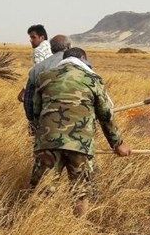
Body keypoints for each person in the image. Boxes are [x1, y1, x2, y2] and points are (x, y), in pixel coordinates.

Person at [30, 47, 131, 216]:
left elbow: (35, 111)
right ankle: (78, 229)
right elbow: (106, 116)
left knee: (42, 190)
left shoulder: (44, 77)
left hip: (48, 141)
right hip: (80, 144)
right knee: (80, 192)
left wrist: (43, 135)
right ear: (83, 59)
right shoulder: (93, 79)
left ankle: (35, 228)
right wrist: (117, 144)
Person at [21, 34, 71, 129]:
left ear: (51, 50)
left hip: (44, 124)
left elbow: (28, 100)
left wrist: (32, 121)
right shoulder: (80, 67)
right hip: (75, 123)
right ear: (69, 47)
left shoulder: (37, 69)